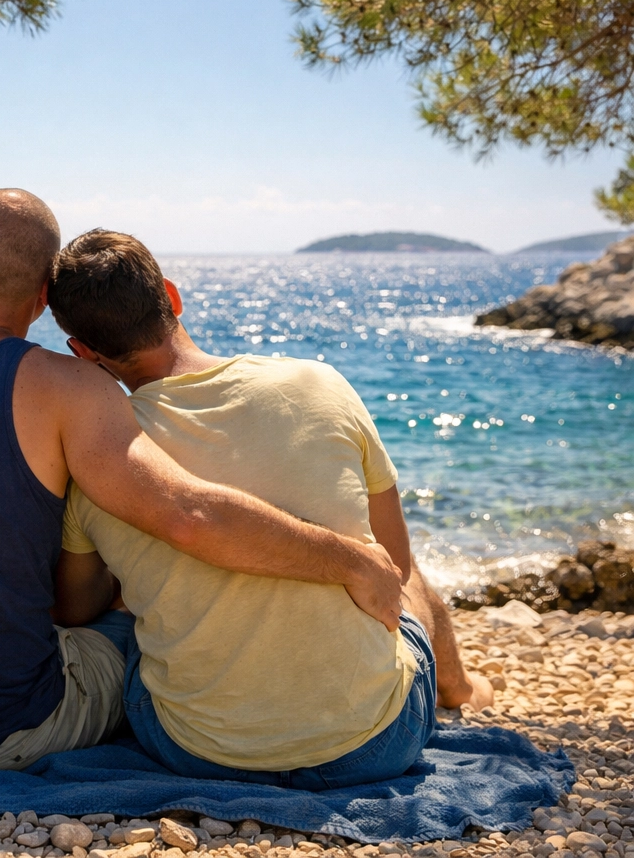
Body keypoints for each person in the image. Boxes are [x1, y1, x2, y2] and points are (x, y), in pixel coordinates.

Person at [0, 189, 404, 774]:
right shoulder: (70, 387)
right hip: (2, 734)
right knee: (123, 628)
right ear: (42, 296)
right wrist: (350, 561)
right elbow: (186, 513)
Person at [48, 228, 495, 789]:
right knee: (411, 580)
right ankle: (460, 691)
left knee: (143, 592)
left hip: (197, 749)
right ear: (172, 295)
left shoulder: (104, 458)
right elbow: (395, 568)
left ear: (82, 352)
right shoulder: (320, 383)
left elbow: (74, 606)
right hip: (374, 744)